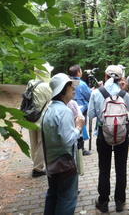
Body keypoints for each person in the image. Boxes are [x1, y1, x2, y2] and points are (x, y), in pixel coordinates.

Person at [88, 65, 129, 213]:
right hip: (121, 134)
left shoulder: (97, 92)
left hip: (103, 134)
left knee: (104, 169)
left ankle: (103, 202)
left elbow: (90, 115)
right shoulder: (123, 93)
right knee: (121, 169)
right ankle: (120, 202)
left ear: (106, 76)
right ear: (120, 78)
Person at [42, 73, 83, 215]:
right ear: (63, 90)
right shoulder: (64, 111)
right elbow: (68, 140)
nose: (73, 89)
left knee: (53, 196)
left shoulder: (49, 109)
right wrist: (78, 127)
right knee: (67, 199)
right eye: (70, 86)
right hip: (64, 164)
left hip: (52, 163)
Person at [27, 62, 53, 178]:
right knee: (42, 143)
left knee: (33, 143)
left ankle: (35, 164)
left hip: (30, 116)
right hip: (41, 119)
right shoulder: (47, 86)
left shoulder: (31, 83)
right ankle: (37, 168)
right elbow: (51, 100)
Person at [68, 64, 92, 155]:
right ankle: (81, 149)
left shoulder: (68, 82)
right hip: (81, 109)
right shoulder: (81, 84)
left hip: (70, 108)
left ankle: (74, 147)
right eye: (80, 70)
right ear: (78, 72)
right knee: (80, 127)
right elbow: (89, 95)